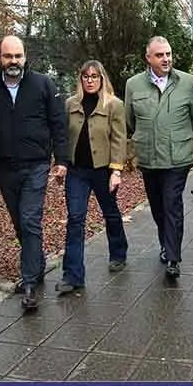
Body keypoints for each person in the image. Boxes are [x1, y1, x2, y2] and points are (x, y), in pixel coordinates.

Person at [0, 35, 68, 311]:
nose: (14, 62)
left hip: (36, 165)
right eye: (8, 56)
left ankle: (30, 283)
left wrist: (62, 160)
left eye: (18, 56)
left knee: (29, 218)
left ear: (25, 56)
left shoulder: (42, 84)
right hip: (6, 167)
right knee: (20, 222)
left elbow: (59, 123)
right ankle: (37, 263)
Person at [124, 36, 193, 278]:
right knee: (157, 207)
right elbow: (130, 119)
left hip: (177, 158)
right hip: (148, 156)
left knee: (172, 204)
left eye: (168, 54)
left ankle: (173, 257)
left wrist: (184, 137)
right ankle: (165, 243)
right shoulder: (134, 85)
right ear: (148, 58)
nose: (166, 59)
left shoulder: (187, 82)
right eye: (160, 55)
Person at [58, 60, 129, 295]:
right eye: (86, 76)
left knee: (110, 212)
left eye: (94, 76)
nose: (90, 80)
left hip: (103, 171)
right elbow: (62, 136)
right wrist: (60, 164)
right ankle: (73, 275)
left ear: (102, 79)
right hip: (77, 172)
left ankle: (118, 252)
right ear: (80, 79)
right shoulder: (70, 104)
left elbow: (119, 139)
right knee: (75, 219)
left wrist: (116, 170)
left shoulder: (114, 105)